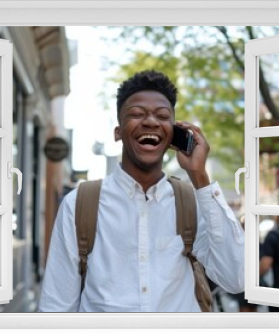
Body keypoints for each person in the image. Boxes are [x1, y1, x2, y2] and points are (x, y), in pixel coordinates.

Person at [38, 70, 244, 312]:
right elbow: (56, 308)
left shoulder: (193, 202)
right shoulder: (79, 205)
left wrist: (200, 177)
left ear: (173, 135)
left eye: (162, 115)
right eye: (136, 114)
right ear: (118, 132)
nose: (150, 121)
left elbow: (236, 278)